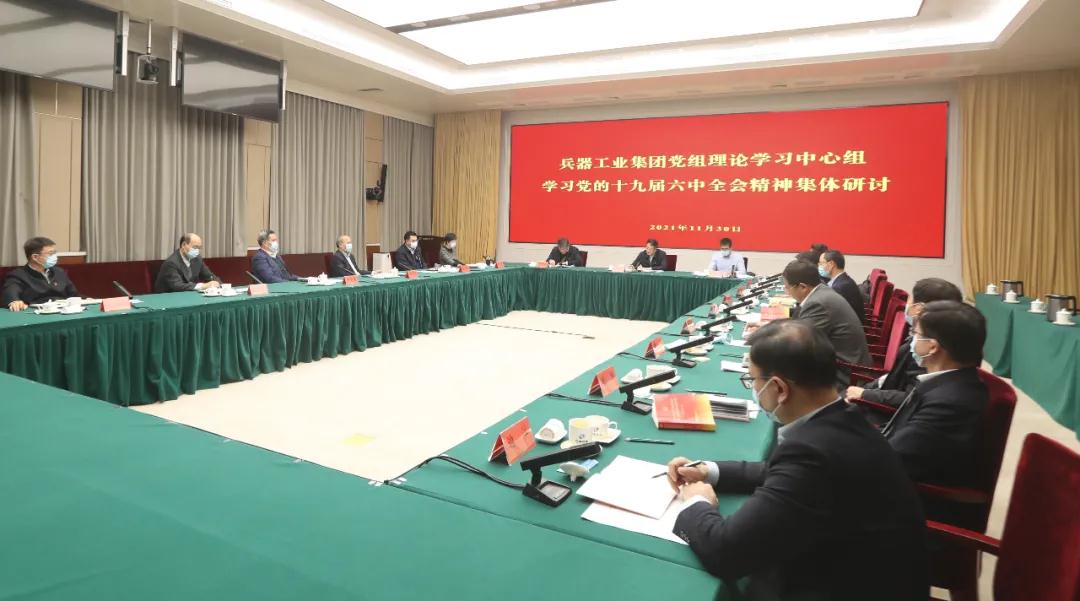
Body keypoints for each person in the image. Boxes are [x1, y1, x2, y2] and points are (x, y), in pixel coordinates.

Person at [668, 320, 927, 600]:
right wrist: (708, 471)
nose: (752, 388)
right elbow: (777, 471)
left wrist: (697, 501)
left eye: (752, 380)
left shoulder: (813, 453)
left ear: (779, 388)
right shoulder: (844, 418)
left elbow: (726, 553)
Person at [878, 300, 989, 527]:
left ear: (932, 347)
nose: (911, 338)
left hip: (910, 510)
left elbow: (892, 459)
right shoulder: (946, 382)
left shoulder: (951, 402)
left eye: (915, 333)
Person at [847, 278, 964, 408]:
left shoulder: (926, 351)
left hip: (885, 409)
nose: (906, 304)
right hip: (882, 394)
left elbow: (911, 397)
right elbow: (893, 377)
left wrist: (865, 394)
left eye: (909, 299)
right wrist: (867, 389)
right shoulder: (923, 338)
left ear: (919, 308)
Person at [761, 259, 871, 388]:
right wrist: (772, 326)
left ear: (803, 287)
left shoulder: (818, 303)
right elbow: (799, 322)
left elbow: (799, 344)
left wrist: (765, 339)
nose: (787, 291)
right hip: (843, 363)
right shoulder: (821, 290)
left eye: (787, 287)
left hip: (844, 375)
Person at [3, 237, 80, 311]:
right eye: (51, 253)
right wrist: (14, 301)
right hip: (36, 313)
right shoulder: (18, 275)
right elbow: (11, 293)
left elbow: (74, 294)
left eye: (55, 253)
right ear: (35, 257)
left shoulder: (59, 272)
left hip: (63, 311)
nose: (55, 256)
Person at [154, 233, 221, 293]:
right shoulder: (171, 263)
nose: (197, 251)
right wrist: (203, 286)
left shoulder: (197, 259)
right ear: (183, 245)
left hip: (188, 295)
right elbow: (177, 286)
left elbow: (209, 276)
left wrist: (217, 283)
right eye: (195, 247)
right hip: (168, 297)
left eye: (199, 248)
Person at [818, 250, 864, 322]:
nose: (819, 266)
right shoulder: (843, 280)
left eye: (821, 263)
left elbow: (831, 315)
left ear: (831, 264)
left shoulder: (840, 287)